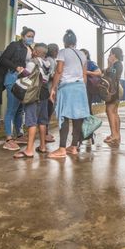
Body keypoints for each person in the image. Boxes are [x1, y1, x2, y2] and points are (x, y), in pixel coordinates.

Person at [48, 30, 90, 158]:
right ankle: (73, 146)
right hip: (80, 87)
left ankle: (61, 149)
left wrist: (53, 88)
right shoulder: (82, 54)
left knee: (64, 116)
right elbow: (84, 74)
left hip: (67, 87)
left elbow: (59, 71)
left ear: (64, 42)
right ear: (75, 42)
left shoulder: (63, 52)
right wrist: (83, 89)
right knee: (78, 117)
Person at [0, 26, 35, 151]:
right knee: (11, 109)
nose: (31, 38)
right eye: (29, 36)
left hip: (23, 82)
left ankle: (19, 135)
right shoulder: (15, 45)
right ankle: (8, 139)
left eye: (32, 36)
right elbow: (2, 59)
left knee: (20, 109)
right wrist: (17, 67)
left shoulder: (30, 49)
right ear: (22, 35)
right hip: (13, 79)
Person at [14, 43, 51, 159]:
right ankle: (43, 146)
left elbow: (26, 74)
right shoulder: (48, 64)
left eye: (33, 50)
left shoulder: (32, 62)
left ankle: (29, 150)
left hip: (34, 93)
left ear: (35, 52)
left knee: (31, 121)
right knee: (42, 121)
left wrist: (20, 70)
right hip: (45, 93)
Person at [104, 47, 123, 145]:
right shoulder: (119, 64)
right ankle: (117, 134)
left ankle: (114, 135)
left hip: (112, 91)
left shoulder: (116, 65)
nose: (109, 56)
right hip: (115, 90)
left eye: (110, 54)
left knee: (110, 111)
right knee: (114, 112)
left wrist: (109, 64)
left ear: (114, 55)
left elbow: (110, 76)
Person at [80, 49, 101, 115]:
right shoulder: (76, 63)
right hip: (77, 88)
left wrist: (88, 72)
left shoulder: (90, 63)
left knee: (87, 106)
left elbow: (99, 72)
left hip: (87, 88)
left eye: (82, 54)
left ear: (86, 55)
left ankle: (89, 122)